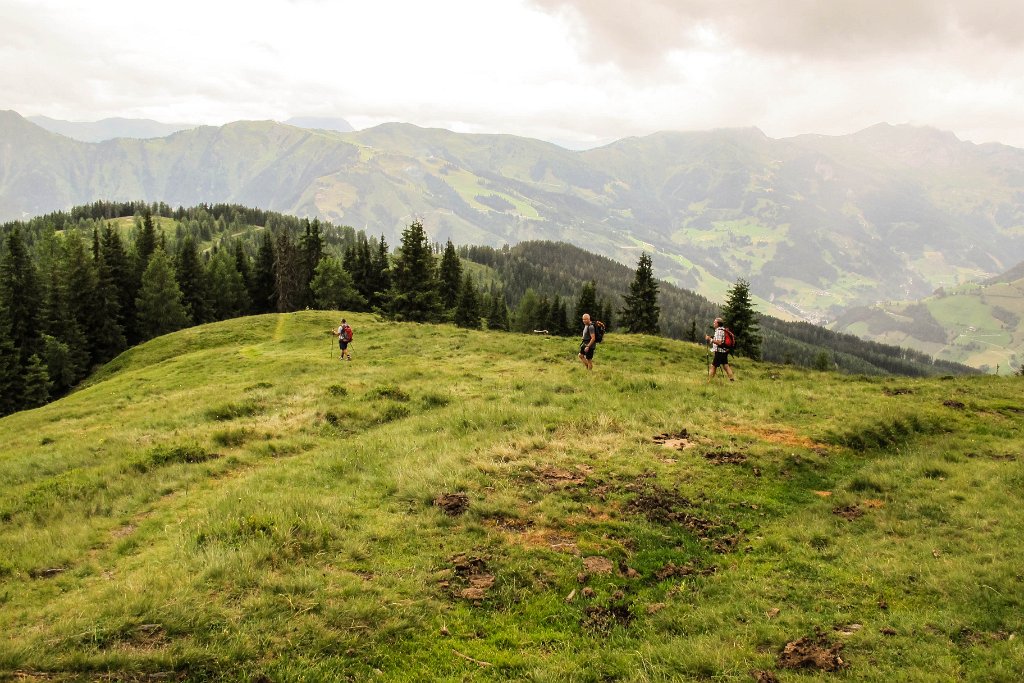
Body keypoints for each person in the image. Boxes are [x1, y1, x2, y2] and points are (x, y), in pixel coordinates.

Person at [705, 317, 735, 382]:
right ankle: (732, 380)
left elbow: (719, 342)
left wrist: (710, 339)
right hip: (724, 351)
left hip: (719, 351)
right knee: (726, 366)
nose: (713, 323)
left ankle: (709, 381)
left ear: (718, 324)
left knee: (713, 366)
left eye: (714, 322)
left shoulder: (719, 331)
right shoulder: (723, 330)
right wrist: (712, 338)